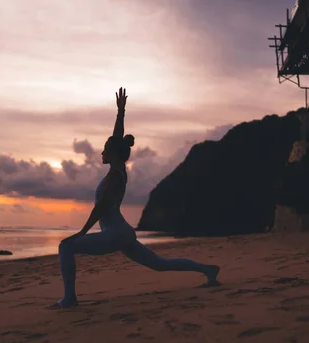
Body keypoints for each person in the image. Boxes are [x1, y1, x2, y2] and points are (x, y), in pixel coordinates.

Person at [49, 87, 220, 308]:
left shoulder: (114, 177)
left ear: (112, 154)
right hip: (121, 233)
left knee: (66, 247)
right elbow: (118, 139)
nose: (101, 153)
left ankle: (69, 299)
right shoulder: (118, 170)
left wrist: (81, 232)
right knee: (160, 264)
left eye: (104, 150)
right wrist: (120, 112)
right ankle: (207, 270)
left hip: (116, 234)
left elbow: (101, 207)